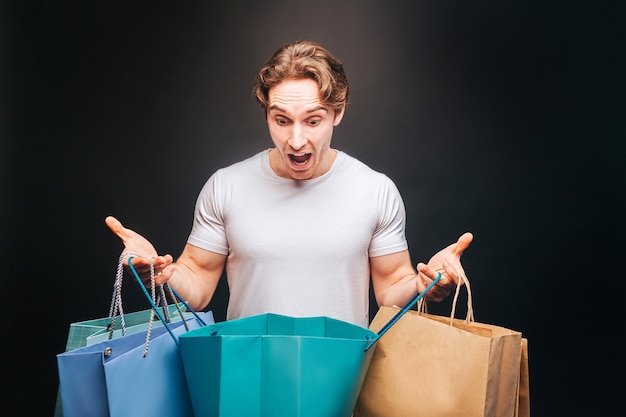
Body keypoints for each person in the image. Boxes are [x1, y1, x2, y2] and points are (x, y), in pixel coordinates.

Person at [106, 40, 473, 328]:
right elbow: (198, 285)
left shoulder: (375, 190)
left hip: (339, 380)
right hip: (249, 376)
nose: (296, 140)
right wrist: (161, 272)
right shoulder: (226, 187)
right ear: (266, 110)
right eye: (281, 120)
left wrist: (430, 283)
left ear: (338, 112)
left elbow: (392, 289)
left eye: (313, 121)